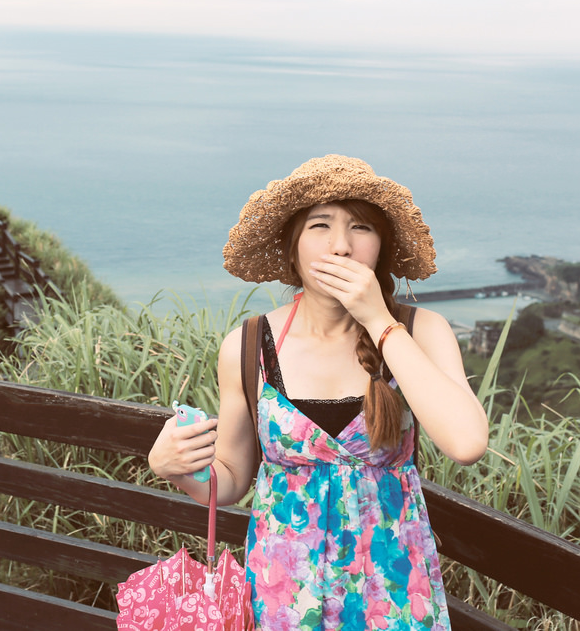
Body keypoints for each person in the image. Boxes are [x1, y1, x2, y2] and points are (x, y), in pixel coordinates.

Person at [148, 155, 488, 630]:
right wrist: (176, 468)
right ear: (292, 250)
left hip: (391, 592)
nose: (341, 247)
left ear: (381, 250)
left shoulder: (419, 331)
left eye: (362, 228)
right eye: (320, 225)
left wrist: (377, 320)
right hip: (284, 593)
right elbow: (228, 481)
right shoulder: (248, 347)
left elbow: (467, 443)